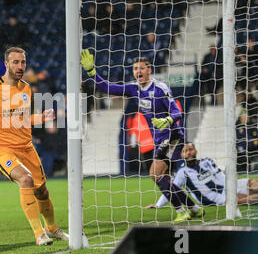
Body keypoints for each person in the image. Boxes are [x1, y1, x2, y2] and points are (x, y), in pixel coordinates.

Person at [0, 46, 69, 245]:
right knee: (25, 179)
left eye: (22, 62)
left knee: (42, 191)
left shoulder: (26, 88)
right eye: (15, 62)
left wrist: (41, 117)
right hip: (1, 148)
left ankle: (53, 228)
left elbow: (23, 118)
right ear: (6, 64)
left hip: (26, 147)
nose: (20, 66)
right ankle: (39, 234)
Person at [81, 50, 197, 222]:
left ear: (149, 70)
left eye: (141, 68)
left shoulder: (160, 88)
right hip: (159, 140)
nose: (138, 71)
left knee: (155, 174)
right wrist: (92, 72)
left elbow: (177, 111)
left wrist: (167, 119)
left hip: (172, 136)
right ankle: (193, 207)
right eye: (135, 68)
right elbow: (107, 87)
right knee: (163, 178)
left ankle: (181, 210)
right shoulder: (133, 89)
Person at [147, 143, 258, 209]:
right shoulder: (182, 173)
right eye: (185, 151)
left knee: (253, 183)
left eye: (190, 149)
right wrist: (158, 205)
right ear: (181, 155)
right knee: (240, 199)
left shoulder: (207, 161)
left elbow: (220, 176)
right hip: (212, 197)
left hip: (225, 186)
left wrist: (235, 186)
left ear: (196, 151)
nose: (189, 153)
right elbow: (171, 190)